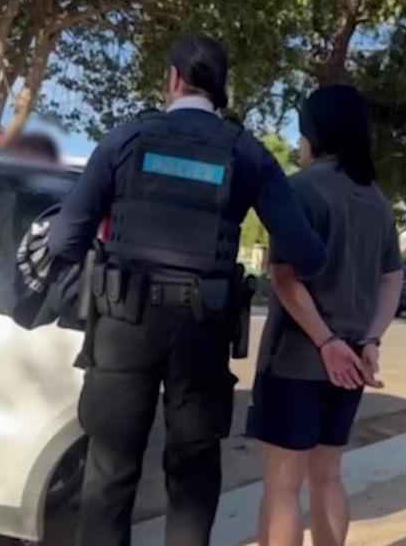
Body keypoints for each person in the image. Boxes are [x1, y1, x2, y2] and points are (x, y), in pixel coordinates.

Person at [45, 34, 327, 546]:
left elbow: (65, 238)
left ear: (173, 79)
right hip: (202, 332)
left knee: (109, 473)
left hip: (122, 326)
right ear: (222, 90)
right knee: (192, 476)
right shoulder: (248, 155)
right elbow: (308, 254)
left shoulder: (125, 140)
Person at [246, 84, 405, 546]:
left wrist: (323, 342)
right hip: (351, 364)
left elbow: (285, 278)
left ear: (316, 133)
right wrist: (370, 341)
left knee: (281, 487)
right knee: (328, 478)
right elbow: (392, 279)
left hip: (295, 359)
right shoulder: (377, 203)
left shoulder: (299, 190)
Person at [0, 132, 61, 261]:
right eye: (24, 163)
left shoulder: (68, 206)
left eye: (36, 164)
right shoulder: (3, 203)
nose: (29, 169)